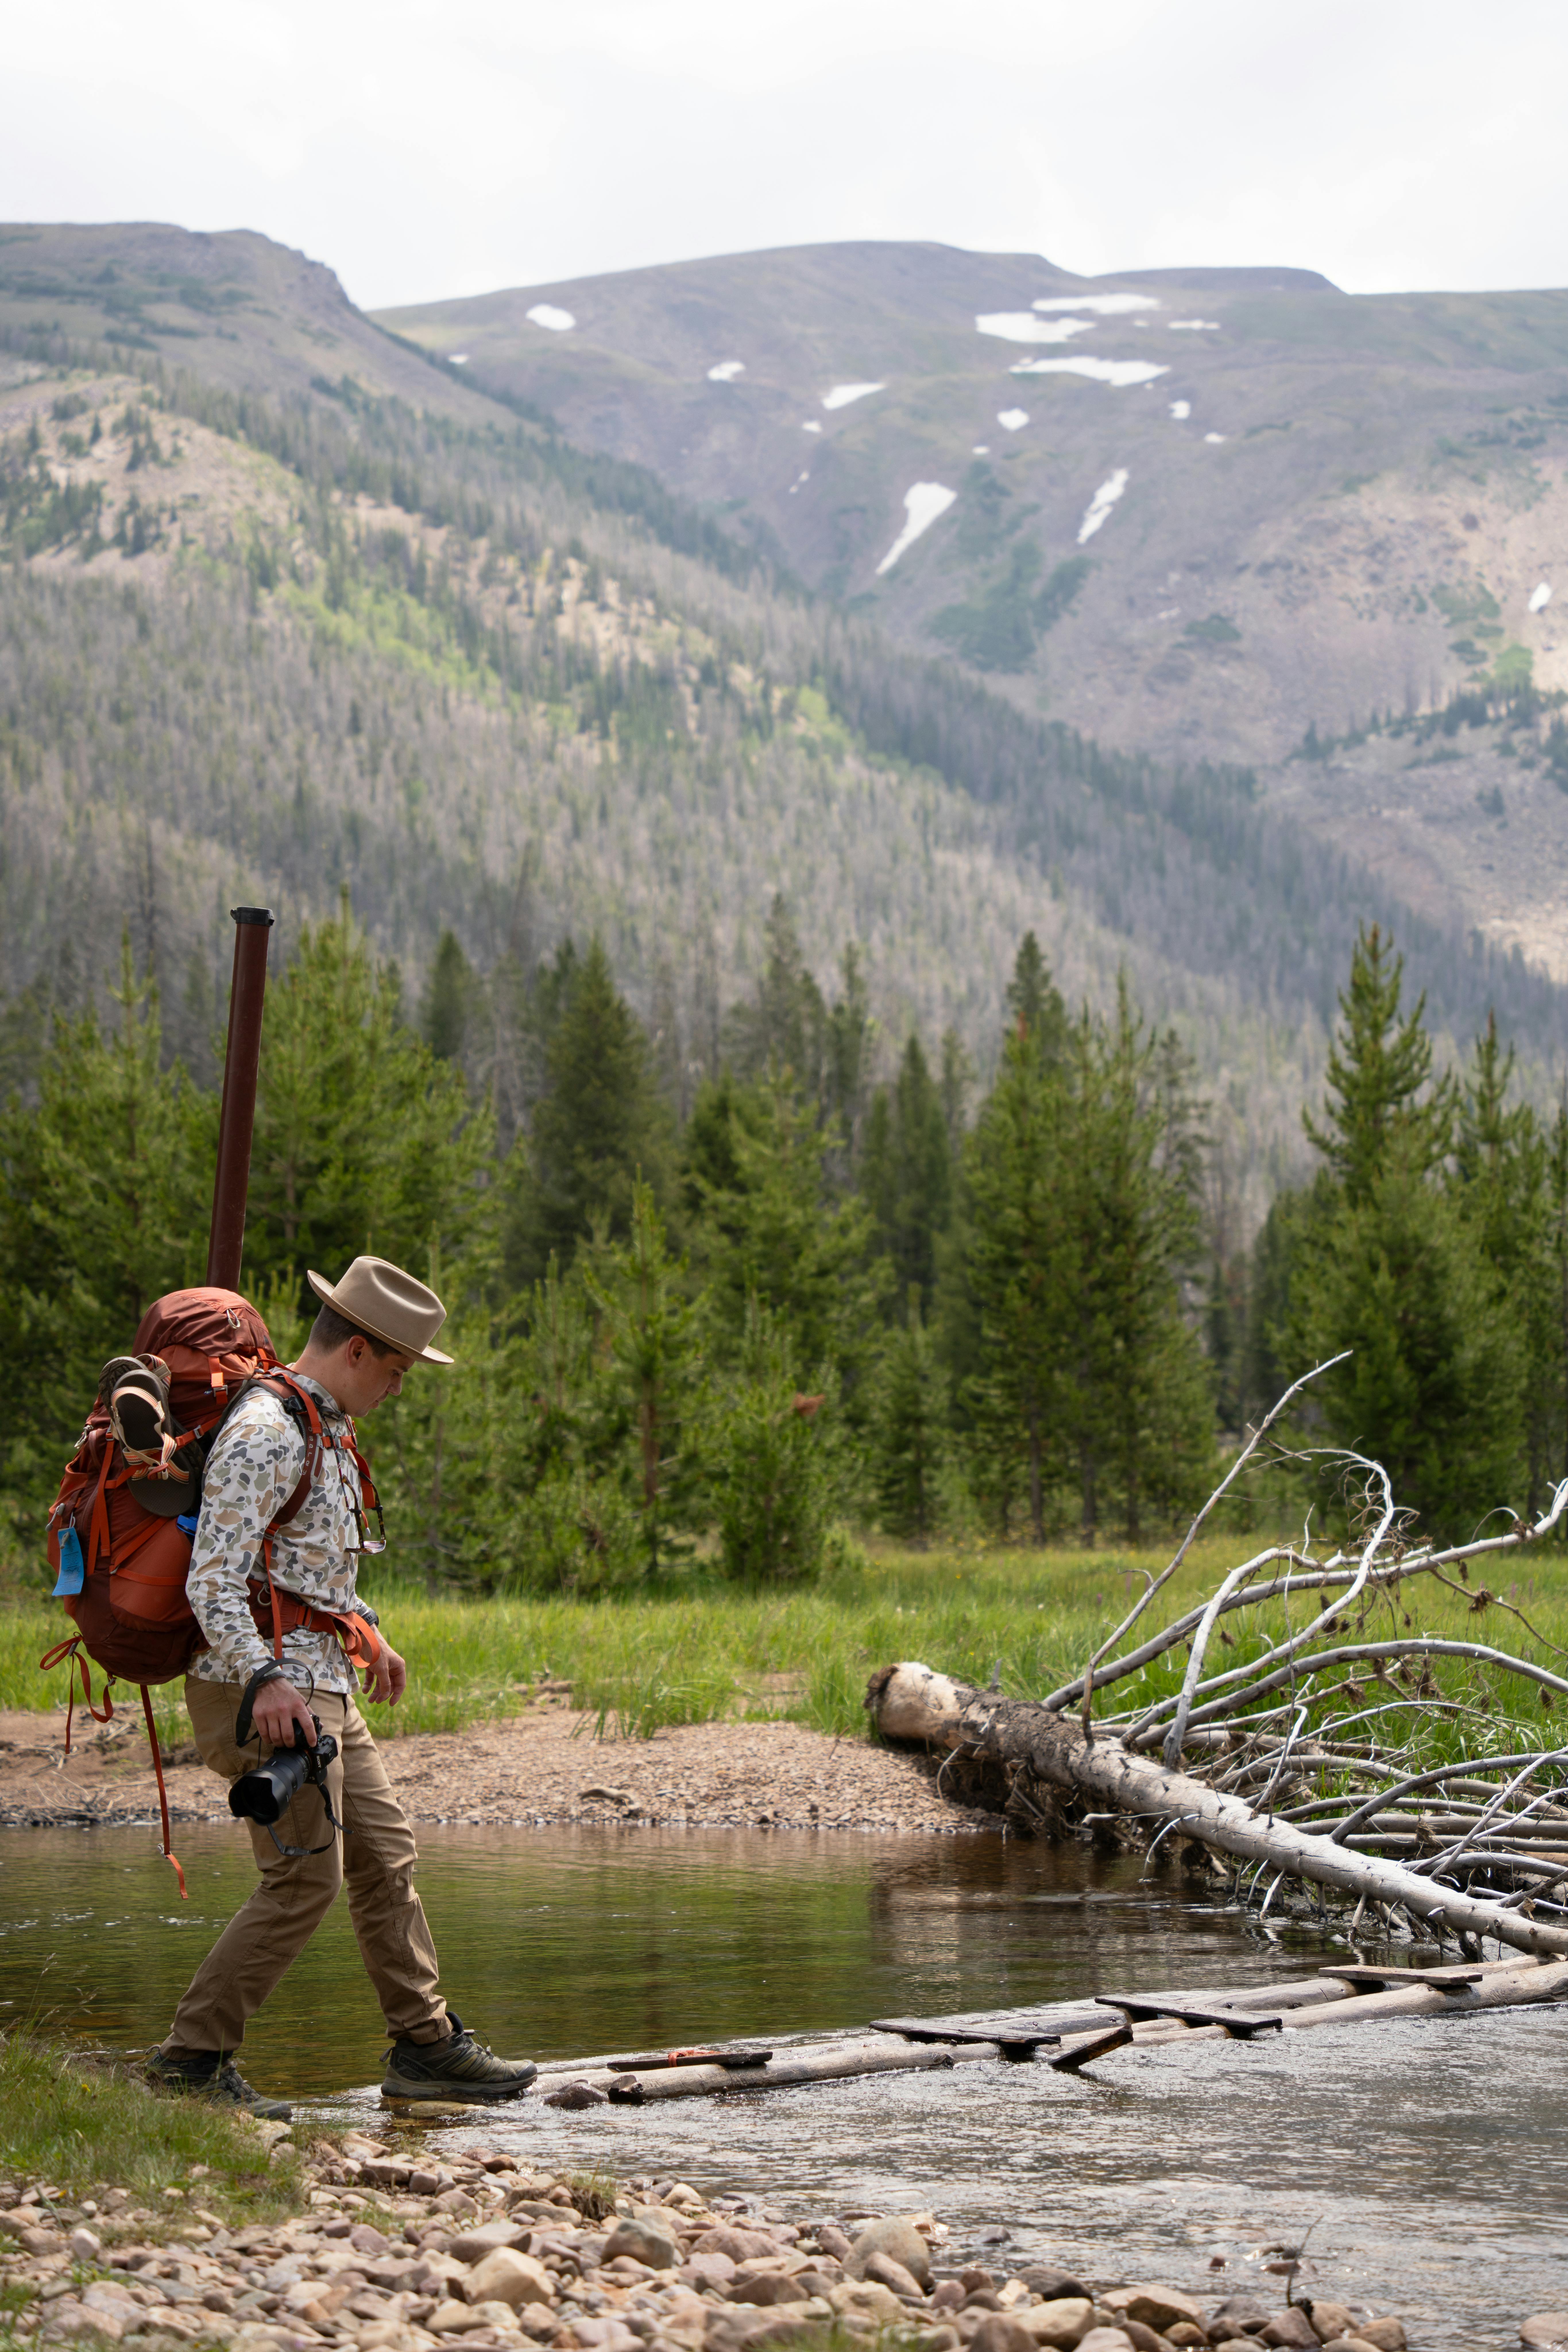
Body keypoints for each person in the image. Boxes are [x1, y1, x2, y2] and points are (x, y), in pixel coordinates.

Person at [146, 1256, 537, 2121]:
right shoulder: (268, 1431)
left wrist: (365, 1629)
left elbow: (303, 1569)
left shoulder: (322, 1426)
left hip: (320, 1684)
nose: (398, 1389)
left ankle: (425, 2046)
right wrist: (267, 1679)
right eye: (396, 1371)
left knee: (386, 1857)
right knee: (301, 1884)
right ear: (358, 1350)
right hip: (265, 1689)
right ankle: (190, 2062)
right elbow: (212, 1581)